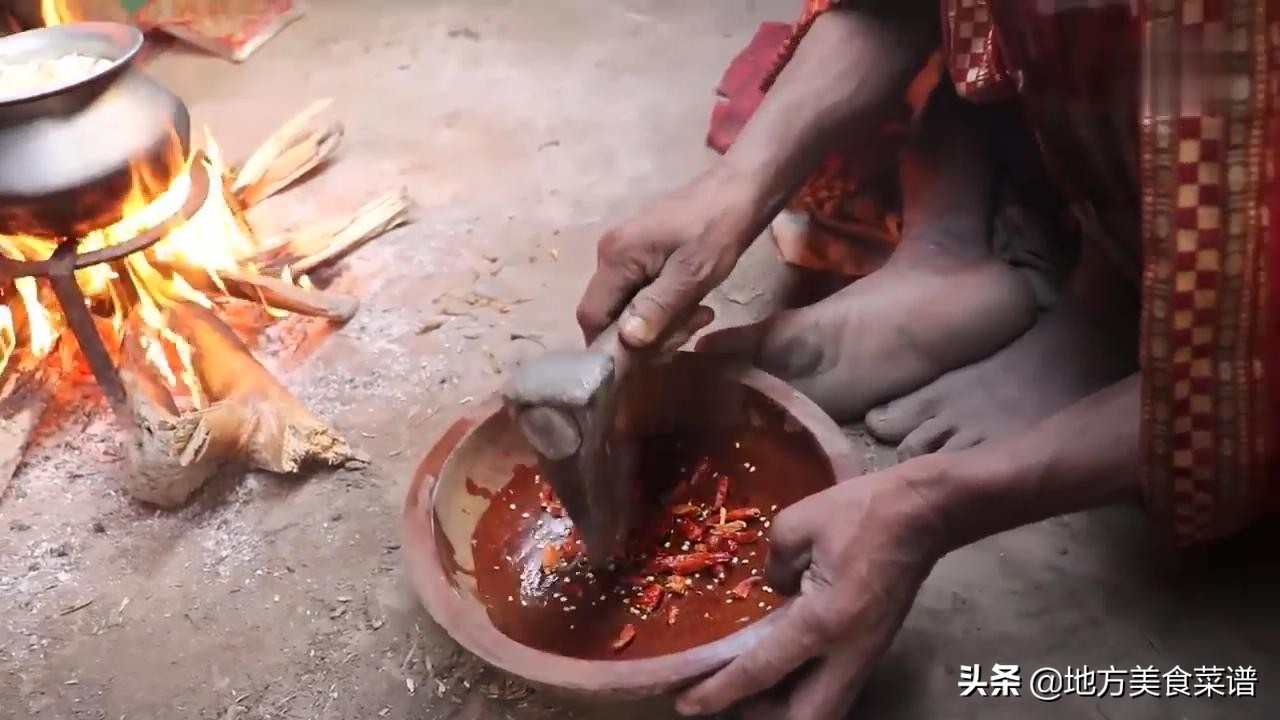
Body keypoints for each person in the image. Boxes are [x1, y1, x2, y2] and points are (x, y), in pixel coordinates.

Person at [575, 1, 1279, 718]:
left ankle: (1113, 317)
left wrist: (931, 507)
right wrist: (734, 189)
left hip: (1240, 172)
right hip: (1100, 109)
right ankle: (946, 250)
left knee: (1201, 79)